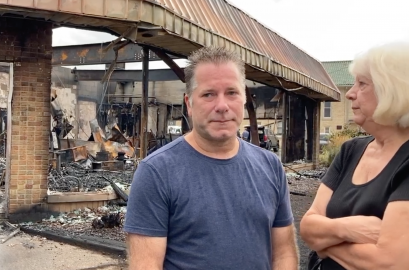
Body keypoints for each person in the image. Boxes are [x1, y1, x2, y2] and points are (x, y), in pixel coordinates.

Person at [124, 46, 298, 270]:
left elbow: (283, 254)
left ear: (244, 98)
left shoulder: (270, 166)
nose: (222, 106)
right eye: (208, 94)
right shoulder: (157, 173)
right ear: (189, 103)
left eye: (232, 93)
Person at [300, 41, 409, 270]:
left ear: (392, 89)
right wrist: (350, 229)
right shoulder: (350, 150)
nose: (349, 94)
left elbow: (389, 263)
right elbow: (308, 227)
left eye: (362, 84)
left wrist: (324, 246)